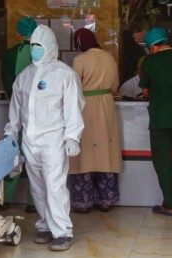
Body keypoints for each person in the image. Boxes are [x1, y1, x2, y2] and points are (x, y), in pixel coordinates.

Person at [4, 25, 85, 251]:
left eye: (39, 46)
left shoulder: (64, 74)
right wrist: (11, 132)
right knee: (37, 187)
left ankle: (62, 231)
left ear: (49, 46)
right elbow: (16, 109)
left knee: (55, 185)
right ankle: (44, 226)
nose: (35, 50)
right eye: (33, 46)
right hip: (30, 140)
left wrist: (72, 137)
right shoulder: (24, 76)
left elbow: (72, 107)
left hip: (54, 140)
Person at [68, 28, 123, 213]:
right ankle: (106, 199)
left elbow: (73, 87)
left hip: (85, 107)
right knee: (105, 152)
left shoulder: (79, 60)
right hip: (107, 106)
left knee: (84, 153)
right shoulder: (109, 58)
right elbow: (115, 86)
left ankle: (83, 202)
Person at [0, 16, 38, 213]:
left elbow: (7, 83)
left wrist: (15, 100)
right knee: (35, 156)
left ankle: (5, 198)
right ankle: (33, 201)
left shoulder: (9, 55)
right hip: (40, 115)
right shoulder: (45, 56)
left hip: (17, 109)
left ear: (18, 32)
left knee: (13, 153)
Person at [138, 27, 172, 216]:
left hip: (161, 118)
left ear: (153, 47)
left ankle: (170, 204)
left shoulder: (150, 62)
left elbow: (145, 91)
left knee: (163, 162)